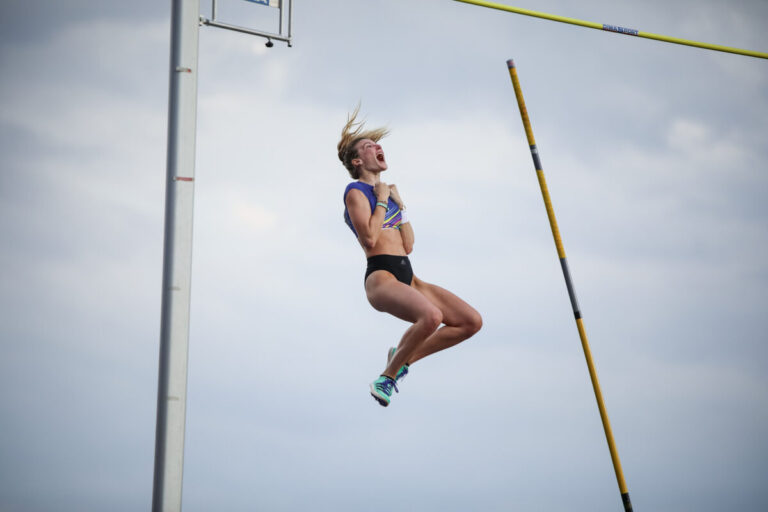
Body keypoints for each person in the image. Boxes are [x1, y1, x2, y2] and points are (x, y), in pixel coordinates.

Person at [338, 107, 482, 407]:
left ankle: (400, 360)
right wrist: (380, 200)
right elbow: (369, 237)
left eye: (377, 145)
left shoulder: (387, 194)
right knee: (431, 317)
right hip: (382, 277)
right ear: (357, 160)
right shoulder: (355, 192)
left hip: (409, 276)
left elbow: (408, 244)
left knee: (470, 322)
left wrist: (400, 207)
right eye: (368, 147)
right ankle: (387, 378)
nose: (377, 147)